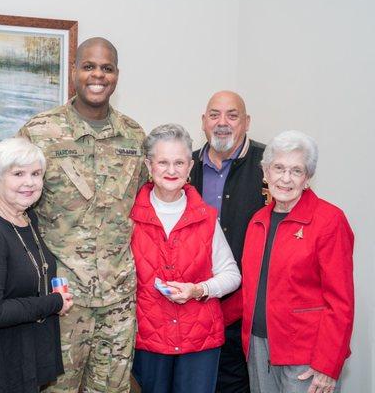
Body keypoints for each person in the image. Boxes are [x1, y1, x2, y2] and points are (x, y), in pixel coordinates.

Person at [18, 37, 146, 392]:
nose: (97, 75)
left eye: (106, 68)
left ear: (117, 75)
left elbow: (153, 205)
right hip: (60, 303)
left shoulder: (134, 136)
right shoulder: (40, 132)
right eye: (89, 66)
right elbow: (2, 202)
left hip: (118, 305)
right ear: (74, 71)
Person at [0, 137, 73, 393]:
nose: (29, 182)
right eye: (18, 173)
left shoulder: (26, 217)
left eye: (36, 173)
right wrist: (54, 303)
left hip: (22, 358)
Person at [130, 124, 241, 393]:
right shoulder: (129, 215)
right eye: (163, 162)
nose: (171, 170)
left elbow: (232, 275)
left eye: (179, 162)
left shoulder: (206, 216)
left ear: (190, 167)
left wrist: (198, 290)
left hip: (200, 342)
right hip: (147, 339)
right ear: (149, 165)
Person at [241, 130, 354, 393]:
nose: (285, 178)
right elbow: (250, 287)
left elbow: (341, 302)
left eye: (296, 170)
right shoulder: (258, 220)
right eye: (278, 168)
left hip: (307, 355)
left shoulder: (329, 221)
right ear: (265, 173)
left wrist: (327, 365)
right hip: (258, 348)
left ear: (307, 178)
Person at [189, 90, 265, 393]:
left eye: (232, 115)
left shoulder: (267, 166)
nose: (223, 123)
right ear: (203, 122)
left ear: (246, 122)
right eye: (214, 115)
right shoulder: (185, 167)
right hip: (194, 302)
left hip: (245, 308)